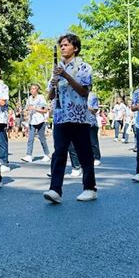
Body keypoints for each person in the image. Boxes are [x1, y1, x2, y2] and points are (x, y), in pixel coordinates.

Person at [43, 33, 97, 204]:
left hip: (79, 117)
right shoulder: (56, 68)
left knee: (84, 153)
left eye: (66, 45)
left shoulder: (84, 67)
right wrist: (53, 84)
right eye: (61, 45)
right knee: (59, 153)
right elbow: (50, 96)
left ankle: (90, 188)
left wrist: (65, 76)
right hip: (60, 117)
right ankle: (55, 189)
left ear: (75, 48)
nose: (63, 48)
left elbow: (84, 91)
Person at [21, 84, 50, 162]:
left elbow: (45, 110)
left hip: (40, 120)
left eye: (34, 89)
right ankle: (29, 155)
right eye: (31, 89)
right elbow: (26, 108)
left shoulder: (41, 98)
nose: (32, 90)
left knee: (42, 138)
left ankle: (47, 154)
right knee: (30, 139)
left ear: (37, 90)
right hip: (31, 121)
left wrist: (35, 108)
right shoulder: (29, 99)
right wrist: (26, 111)